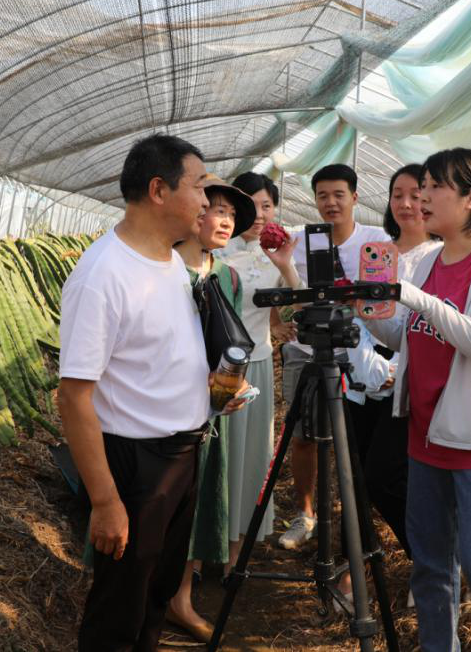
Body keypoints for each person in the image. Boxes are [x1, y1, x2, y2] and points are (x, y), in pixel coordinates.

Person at [57, 134, 246, 652]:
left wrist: (210, 389)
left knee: (155, 595)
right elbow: (73, 398)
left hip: (181, 457)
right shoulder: (103, 275)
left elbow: (158, 355)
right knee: (119, 608)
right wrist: (105, 500)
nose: (208, 203)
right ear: (159, 190)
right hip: (134, 466)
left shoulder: (168, 264)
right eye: (200, 188)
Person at [361, 148, 471, 651]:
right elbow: (408, 336)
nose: (422, 196)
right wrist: (370, 310)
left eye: (435, 186)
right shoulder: (426, 260)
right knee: (431, 567)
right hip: (427, 437)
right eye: (422, 185)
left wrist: (416, 298)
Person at [264, 163, 390, 554]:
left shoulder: (378, 240)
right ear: (314, 200)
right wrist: (276, 324)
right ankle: (306, 515)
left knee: (355, 438)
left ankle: (357, 523)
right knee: (303, 435)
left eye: (339, 194)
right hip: (306, 350)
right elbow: (269, 279)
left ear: (354, 197)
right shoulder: (299, 240)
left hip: (360, 351)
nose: (330, 203)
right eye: (322, 195)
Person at [165, 175, 256, 643]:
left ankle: (180, 597)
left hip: (207, 412)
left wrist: (229, 389)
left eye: (231, 214)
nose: (225, 219)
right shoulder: (160, 269)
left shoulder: (227, 276)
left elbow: (230, 345)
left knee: (197, 502)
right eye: (216, 209)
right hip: (160, 411)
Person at [342, 165, 440, 573]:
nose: (405, 204)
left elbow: (431, 325)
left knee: (386, 475)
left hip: (407, 379)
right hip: (365, 378)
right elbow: (370, 317)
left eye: (416, 195)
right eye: (397, 194)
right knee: (356, 479)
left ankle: (430, 559)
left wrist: (397, 368)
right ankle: (362, 568)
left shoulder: (440, 257)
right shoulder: (380, 251)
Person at [216, 172, 293, 574]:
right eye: (252, 205)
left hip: (258, 364)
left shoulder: (278, 255)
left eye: (267, 206)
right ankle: (202, 548)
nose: (259, 214)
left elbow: (290, 303)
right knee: (218, 455)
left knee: (250, 458)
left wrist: (287, 267)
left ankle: (235, 553)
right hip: (218, 365)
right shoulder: (216, 250)